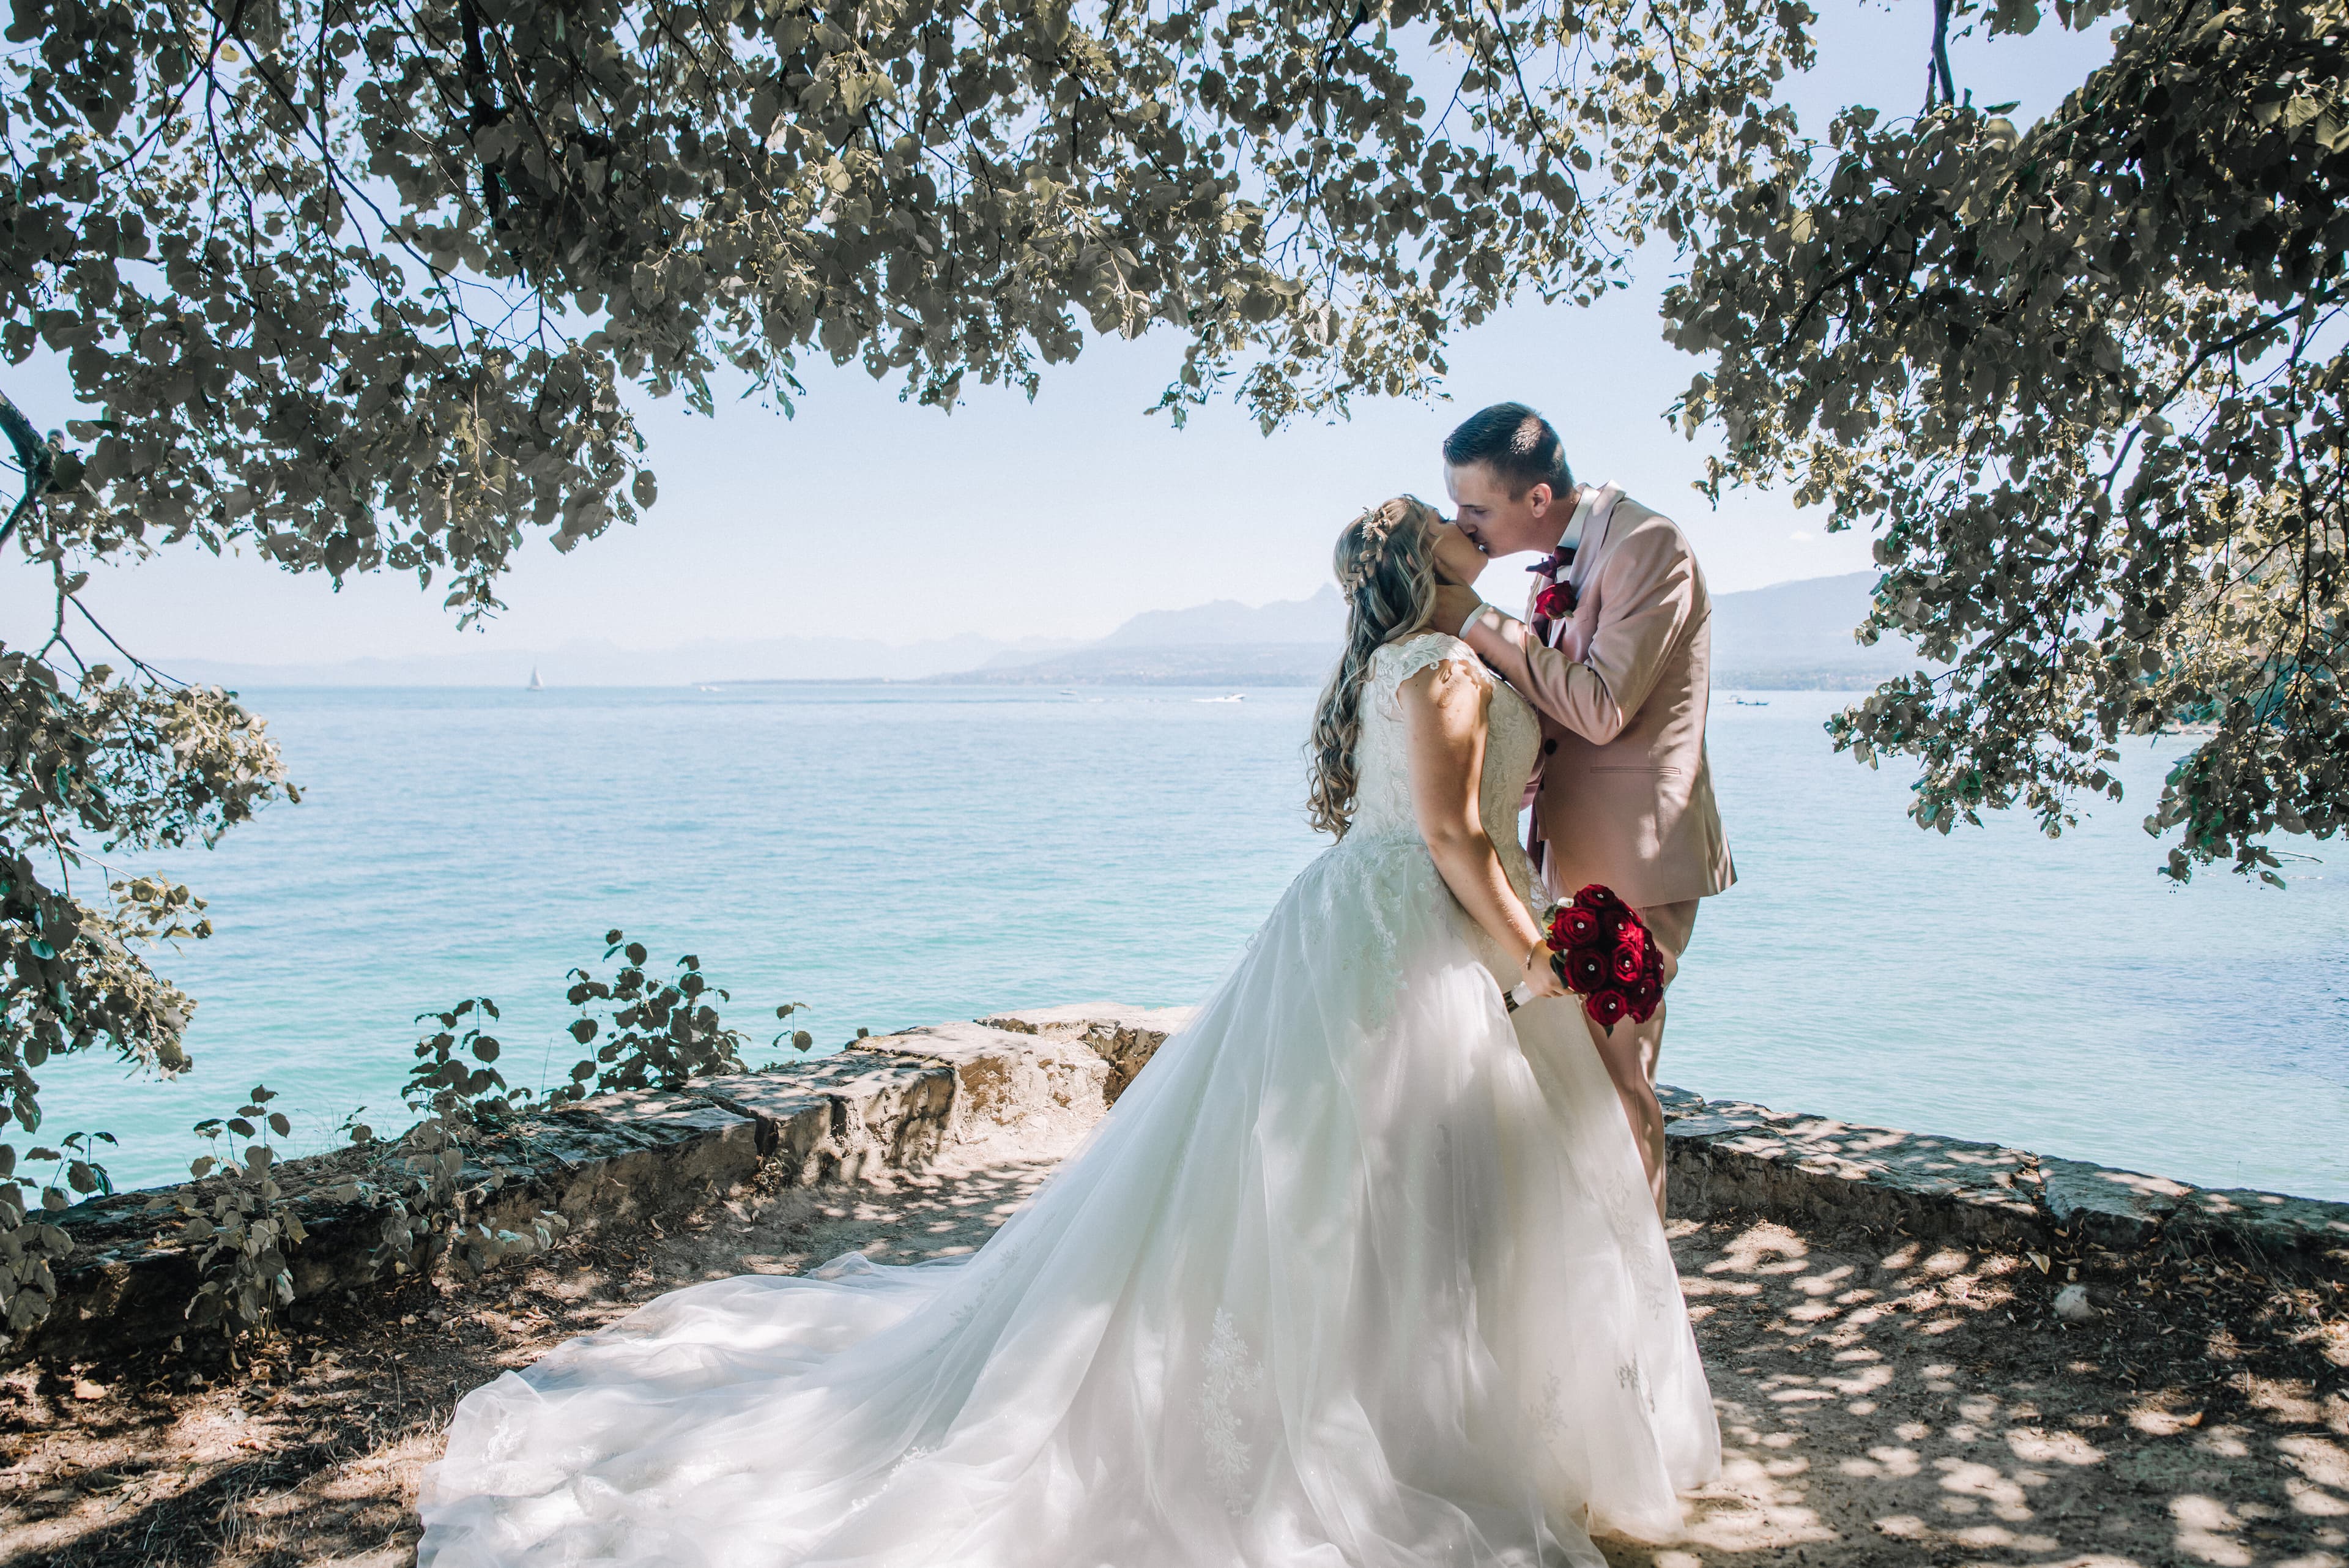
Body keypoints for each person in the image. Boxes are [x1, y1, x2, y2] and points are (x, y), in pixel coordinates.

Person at [418, 497, 1718, 1568]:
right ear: (1415, 567)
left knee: (1359, 1180)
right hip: (1414, 932)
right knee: (1380, 1177)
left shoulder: (1418, 659)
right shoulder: (1435, 663)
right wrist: (1539, 955)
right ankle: (1381, 1426)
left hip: (1372, 928)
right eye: (1441, 522)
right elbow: (1453, 836)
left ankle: (1399, 1402)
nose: (1460, 521)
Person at [1431, 404, 1736, 1221]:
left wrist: (1474, 622)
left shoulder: (1648, 548)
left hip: (1639, 856)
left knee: (1617, 1077)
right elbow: (1559, 708)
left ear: (1536, 499)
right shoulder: (1556, 567)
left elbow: (1603, 708)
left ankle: (1642, 1298)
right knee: (1567, 1076)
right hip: (1559, 850)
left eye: (1476, 510)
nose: (1464, 525)